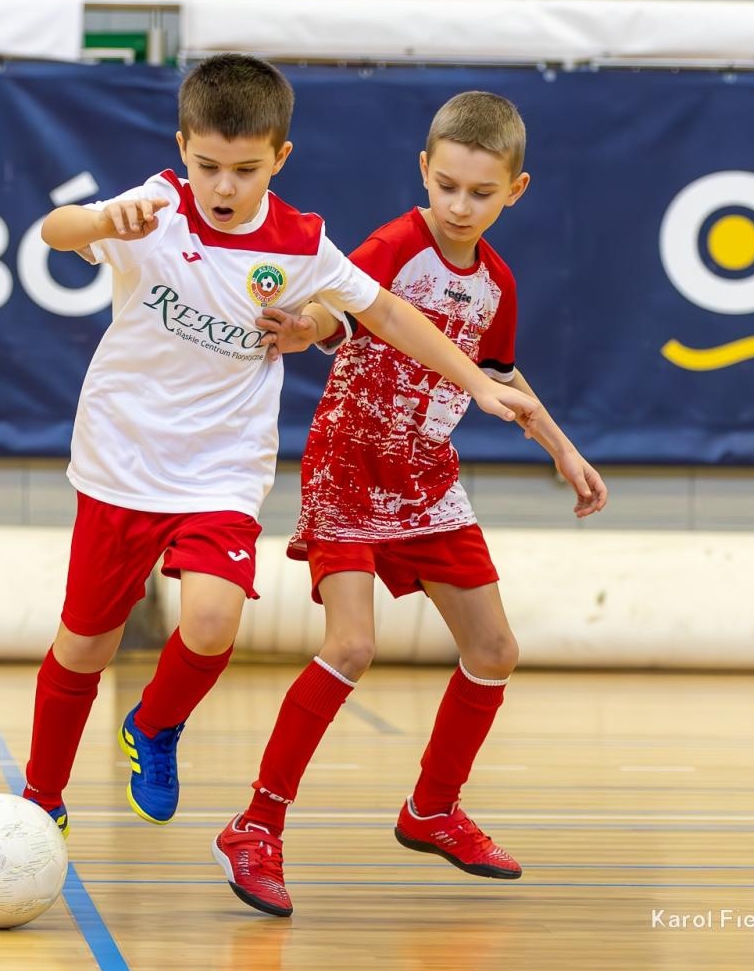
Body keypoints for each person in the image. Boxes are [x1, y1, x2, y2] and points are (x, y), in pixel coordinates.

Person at [19, 56, 540, 839]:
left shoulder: (302, 244)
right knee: (84, 645)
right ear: (182, 148)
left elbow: (391, 316)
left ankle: (154, 726)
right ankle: (41, 797)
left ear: (280, 159)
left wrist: (480, 380)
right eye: (208, 167)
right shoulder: (154, 207)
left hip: (223, 473)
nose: (224, 188)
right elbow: (54, 233)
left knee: (212, 622)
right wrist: (96, 222)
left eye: (246, 170)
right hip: (121, 464)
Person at [214, 91, 608, 917]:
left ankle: (432, 809)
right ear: (424, 171)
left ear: (516, 191)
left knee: (495, 650)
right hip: (348, 469)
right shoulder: (398, 244)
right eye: (449, 186)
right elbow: (341, 302)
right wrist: (307, 325)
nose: (461, 207)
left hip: (427, 476)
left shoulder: (496, 281)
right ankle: (256, 826)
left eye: (482, 193)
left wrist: (563, 449)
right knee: (351, 645)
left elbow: (500, 377)